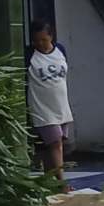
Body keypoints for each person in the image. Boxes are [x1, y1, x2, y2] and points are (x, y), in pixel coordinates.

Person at [26, 20, 72, 189]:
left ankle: (48, 182)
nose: (40, 44)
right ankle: (61, 183)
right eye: (36, 40)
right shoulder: (29, 54)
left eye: (44, 40)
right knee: (56, 143)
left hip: (60, 105)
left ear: (51, 37)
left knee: (52, 147)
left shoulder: (60, 50)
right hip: (41, 108)